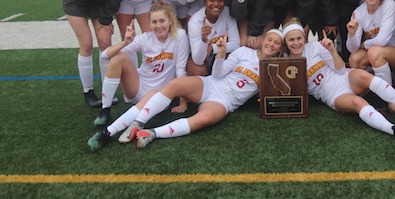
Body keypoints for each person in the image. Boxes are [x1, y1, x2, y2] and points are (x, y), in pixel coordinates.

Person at [89, 29, 284, 150]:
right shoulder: (244, 52)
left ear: (279, 49)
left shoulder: (277, 70)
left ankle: (153, 133)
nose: (272, 45)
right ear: (263, 40)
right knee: (175, 85)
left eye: (276, 43)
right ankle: (130, 125)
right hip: (211, 84)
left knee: (205, 119)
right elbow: (217, 74)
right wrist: (222, 55)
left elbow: (273, 94)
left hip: (225, 102)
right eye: (270, 40)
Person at [282, 22, 395, 139]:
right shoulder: (283, 62)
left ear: (304, 38)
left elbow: (340, 70)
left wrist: (332, 50)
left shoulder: (315, 47)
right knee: (358, 102)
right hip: (332, 95)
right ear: (286, 42)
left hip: (343, 77)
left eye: (299, 38)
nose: (296, 43)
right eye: (291, 40)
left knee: (365, 76)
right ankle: (393, 129)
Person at [91, 2, 189, 129]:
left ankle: (121, 127)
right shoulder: (144, 39)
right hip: (138, 88)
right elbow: (105, 55)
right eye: (154, 22)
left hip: (161, 94)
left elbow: (180, 69)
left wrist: (183, 103)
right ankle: (105, 110)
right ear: (149, 24)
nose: (158, 26)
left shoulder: (179, 35)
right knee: (117, 57)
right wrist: (125, 42)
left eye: (162, 21)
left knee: (154, 94)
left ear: (170, 21)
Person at [346, 0, 395, 85]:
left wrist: (364, 45)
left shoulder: (389, 5)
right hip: (375, 51)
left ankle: (387, 94)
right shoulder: (358, 12)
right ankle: (372, 88)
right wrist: (351, 35)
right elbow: (352, 49)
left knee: (374, 52)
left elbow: (382, 41)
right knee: (354, 59)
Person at [187, 0, 240, 76]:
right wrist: (204, 40)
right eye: (212, 0)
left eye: (220, 0)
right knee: (199, 71)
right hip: (203, 57)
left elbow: (236, 44)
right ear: (205, 2)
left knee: (233, 59)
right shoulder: (195, 22)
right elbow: (198, 60)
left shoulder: (227, 13)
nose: (216, 4)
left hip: (220, 53)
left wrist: (211, 47)